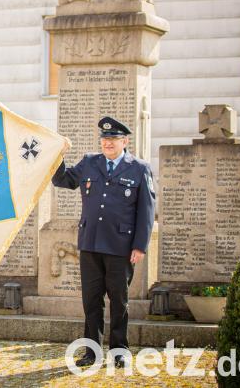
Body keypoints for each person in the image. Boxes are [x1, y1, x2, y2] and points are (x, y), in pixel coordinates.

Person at [52, 116, 155, 368]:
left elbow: (147, 211)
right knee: (91, 300)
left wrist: (140, 245)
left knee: (119, 300)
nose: (108, 143)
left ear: (125, 141)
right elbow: (62, 180)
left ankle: (119, 350)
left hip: (120, 246)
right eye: (105, 139)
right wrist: (56, 155)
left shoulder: (139, 168)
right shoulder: (89, 162)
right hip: (90, 244)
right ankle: (92, 351)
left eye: (113, 139)